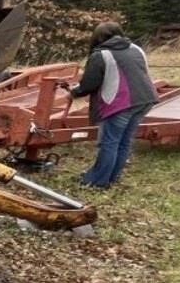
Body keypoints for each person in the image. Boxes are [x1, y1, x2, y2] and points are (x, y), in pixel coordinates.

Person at [65, 22, 157, 188]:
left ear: (98, 38)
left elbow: (89, 84)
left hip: (120, 103)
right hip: (145, 99)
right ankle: (111, 177)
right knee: (124, 141)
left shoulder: (100, 55)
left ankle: (97, 182)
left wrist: (73, 92)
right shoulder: (136, 48)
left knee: (109, 142)